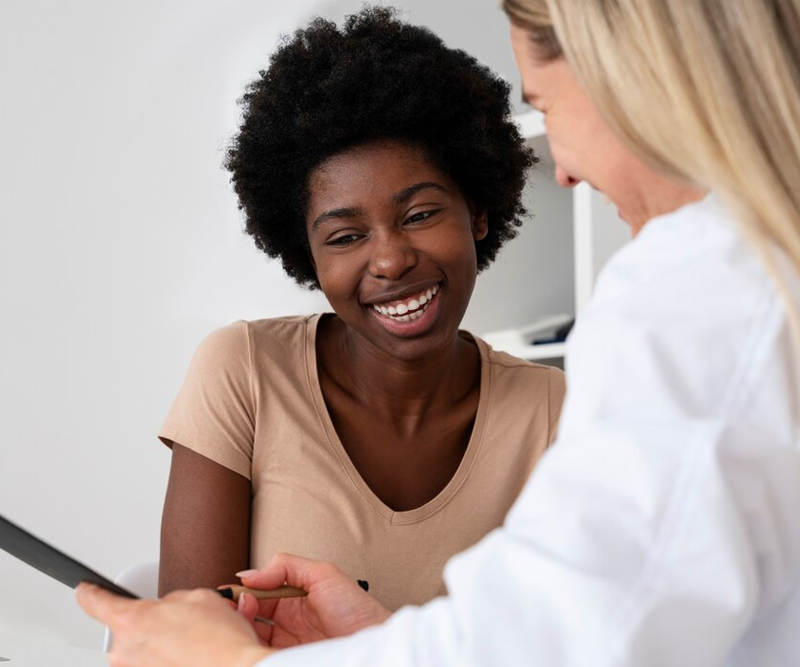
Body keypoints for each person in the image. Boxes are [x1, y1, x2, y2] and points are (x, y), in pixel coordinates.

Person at [77, 0, 800, 664]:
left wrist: (248, 664)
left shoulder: (688, 304)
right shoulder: (729, 287)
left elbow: (575, 634)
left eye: (544, 105)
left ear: (625, 79)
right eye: (345, 234)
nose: (567, 172)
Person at [155, 5, 565, 616]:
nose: (391, 261)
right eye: (346, 237)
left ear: (477, 212)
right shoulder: (243, 372)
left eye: (420, 215)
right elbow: (193, 640)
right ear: (309, 257)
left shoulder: (554, 413)